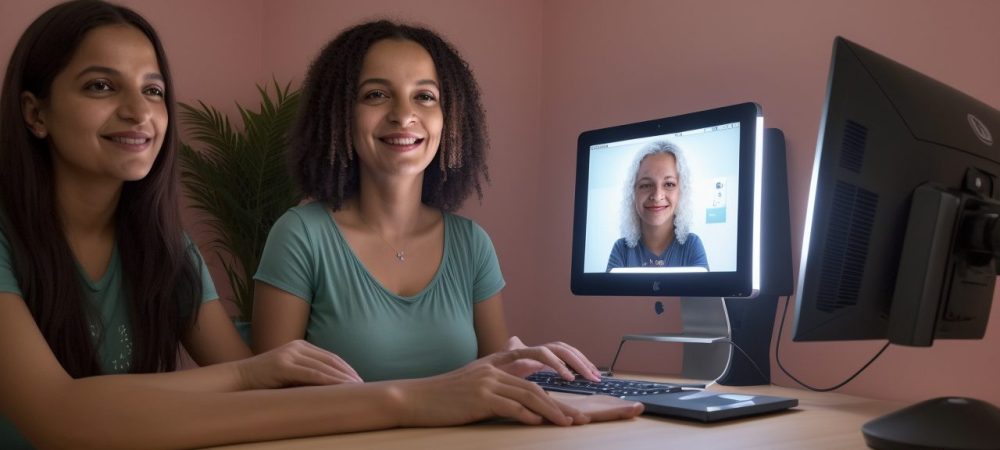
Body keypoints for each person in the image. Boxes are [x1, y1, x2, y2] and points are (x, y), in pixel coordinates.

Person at [0, 3, 641, 449]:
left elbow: (264, 388)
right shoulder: (9, 244)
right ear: (35, 113)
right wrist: (396, 397)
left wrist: (528, 376)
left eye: (156, 90)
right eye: (100, 86)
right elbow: (59, 418)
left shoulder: (169, 253)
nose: (139, 111)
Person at [252, 20, 605, 384]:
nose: (403, 115)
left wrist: (529, 362)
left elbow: (497, 380)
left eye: (424, 96)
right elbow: (270, 397)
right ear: (339, 113)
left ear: (449, 118)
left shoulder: (472, 244)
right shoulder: (300, 236)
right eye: (376, 94)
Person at [606, 140, 709, 271]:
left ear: (681, 192)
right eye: (646, 185)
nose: (657, 196)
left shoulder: (692, 246)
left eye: (669, 184)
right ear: (633, 193)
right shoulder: (621, 249)